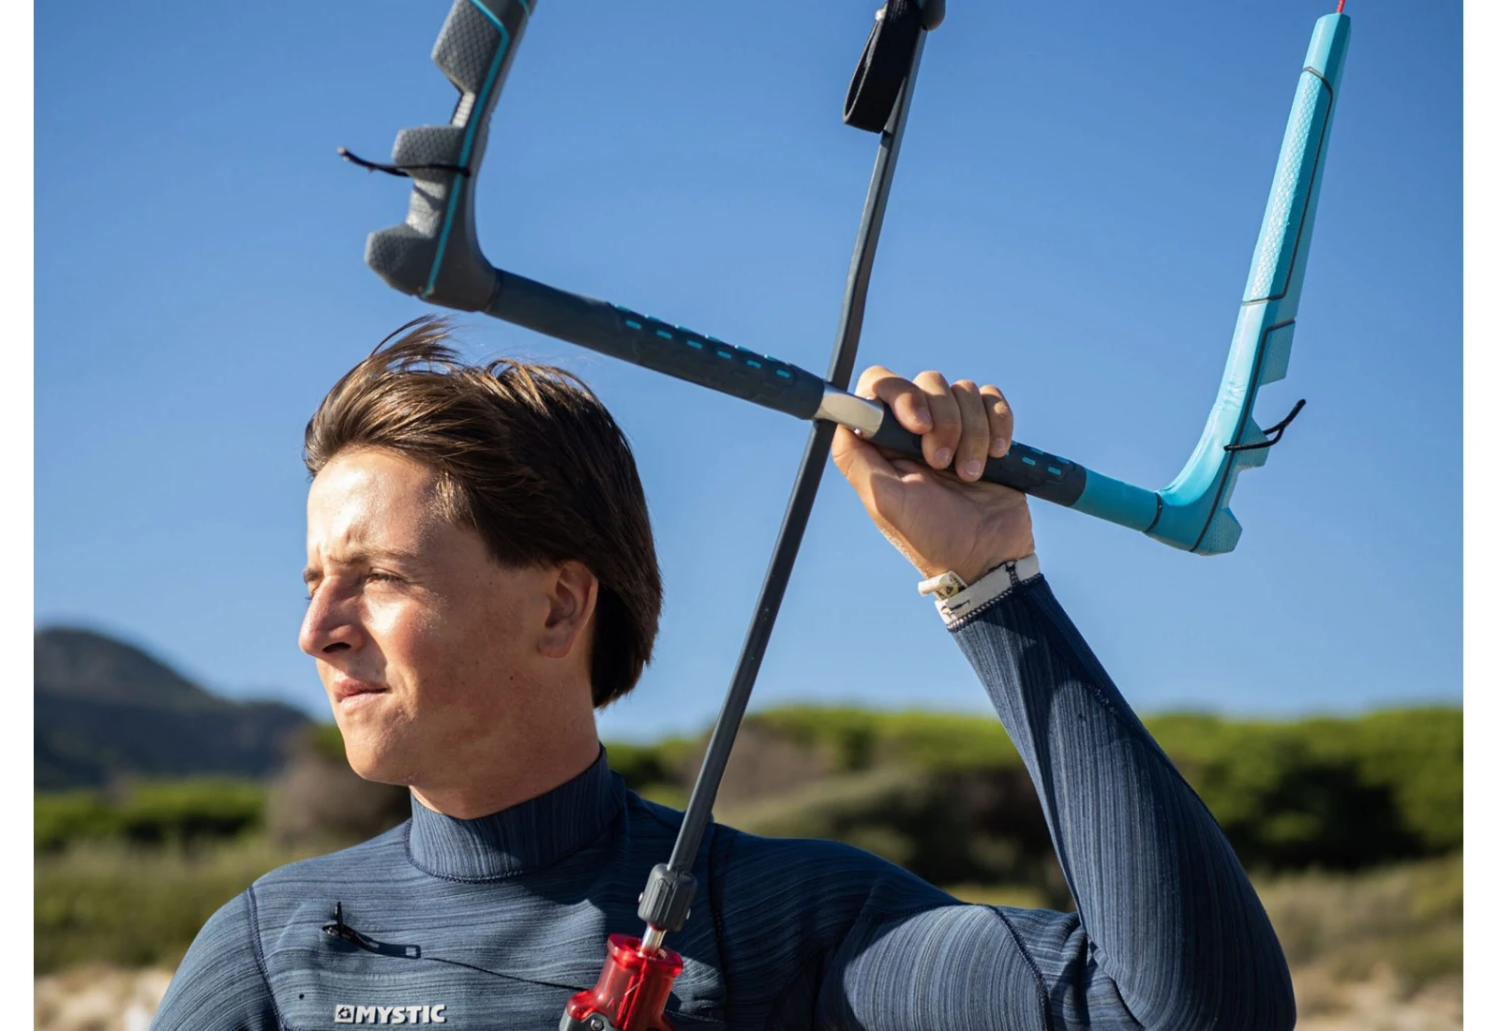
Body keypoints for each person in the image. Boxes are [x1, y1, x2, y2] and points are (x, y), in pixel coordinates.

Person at [151, 316, 1296, 1031]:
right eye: (315, 579)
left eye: (378, 577)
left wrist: (993, 583)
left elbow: (1195, 1014)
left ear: (560, 604)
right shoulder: (274, 947)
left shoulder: (782, 920)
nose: (317, 629)